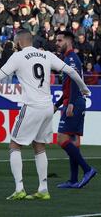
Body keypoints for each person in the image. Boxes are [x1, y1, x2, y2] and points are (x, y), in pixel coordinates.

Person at [0, 30, 91, 200]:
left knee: (14, 145)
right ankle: (43, 189)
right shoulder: (45, 54)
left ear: (18, 42)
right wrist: (84, 88)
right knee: (39, 146)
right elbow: (72, 71)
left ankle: (19, 189)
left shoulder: (18, 56)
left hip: (32, 106)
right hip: (47, 107)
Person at [54, 31, 97, 189]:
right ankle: (73, 180)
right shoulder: (69, 58)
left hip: (74, 102)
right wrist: (57, 105)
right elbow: (67, 85)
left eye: (60, 40)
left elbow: (73, 82)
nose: (57, 43)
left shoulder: (71, 58)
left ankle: (87, 169)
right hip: (75, 101)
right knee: (73, 141)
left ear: (68, 41)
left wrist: (70, 103)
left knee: (61, 138)